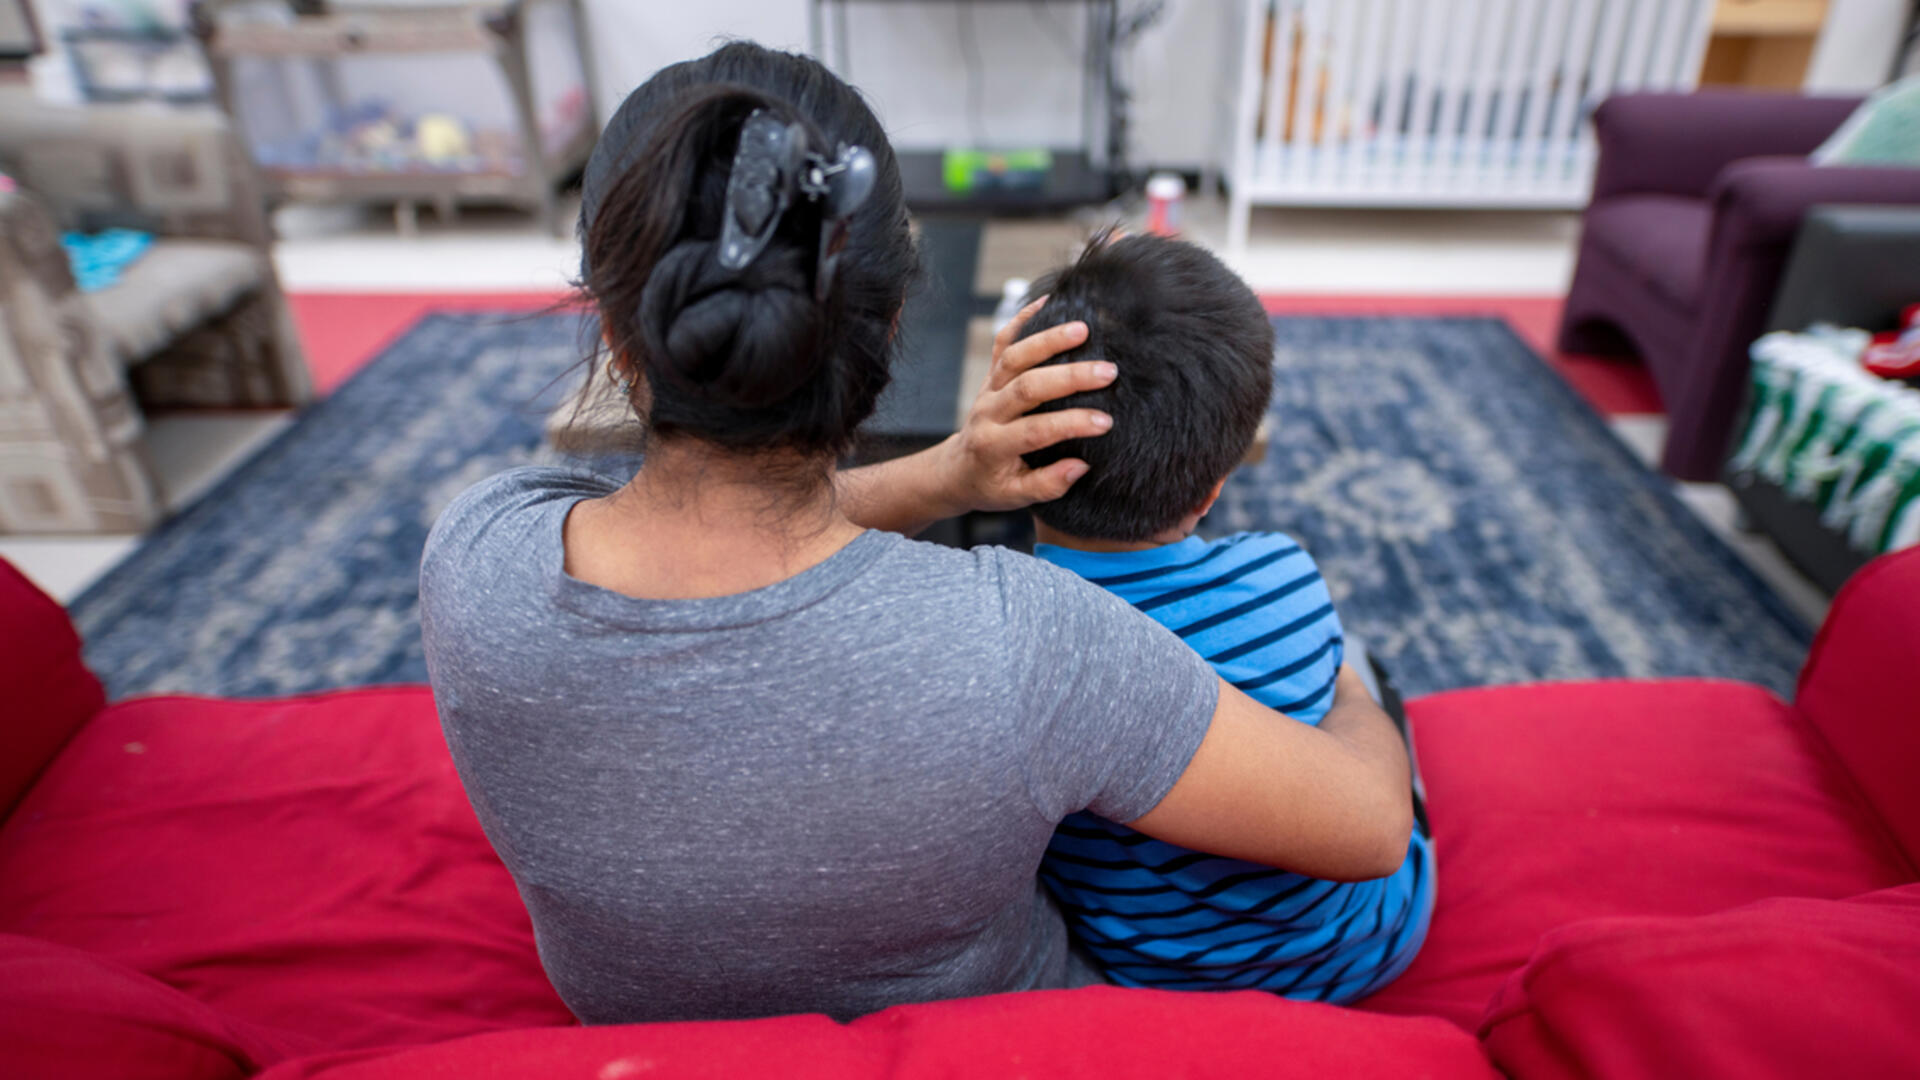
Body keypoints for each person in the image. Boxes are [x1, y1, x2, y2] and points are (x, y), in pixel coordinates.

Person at [418, 41, 1412, 1026]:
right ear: (892, 329)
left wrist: (948, 477)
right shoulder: (1027, 641)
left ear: (622, 339)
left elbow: (708, 541)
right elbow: (1370, 830)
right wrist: (1355, 691)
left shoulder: (477, 559)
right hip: (999, 1037)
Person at [1016, 234, 1436, 1002]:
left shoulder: (1004, 634)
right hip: (1362, 950)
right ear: (1212, 487)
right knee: (1358, 663)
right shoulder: (1282, 573)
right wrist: (1349, 694)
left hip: (1151, 970)